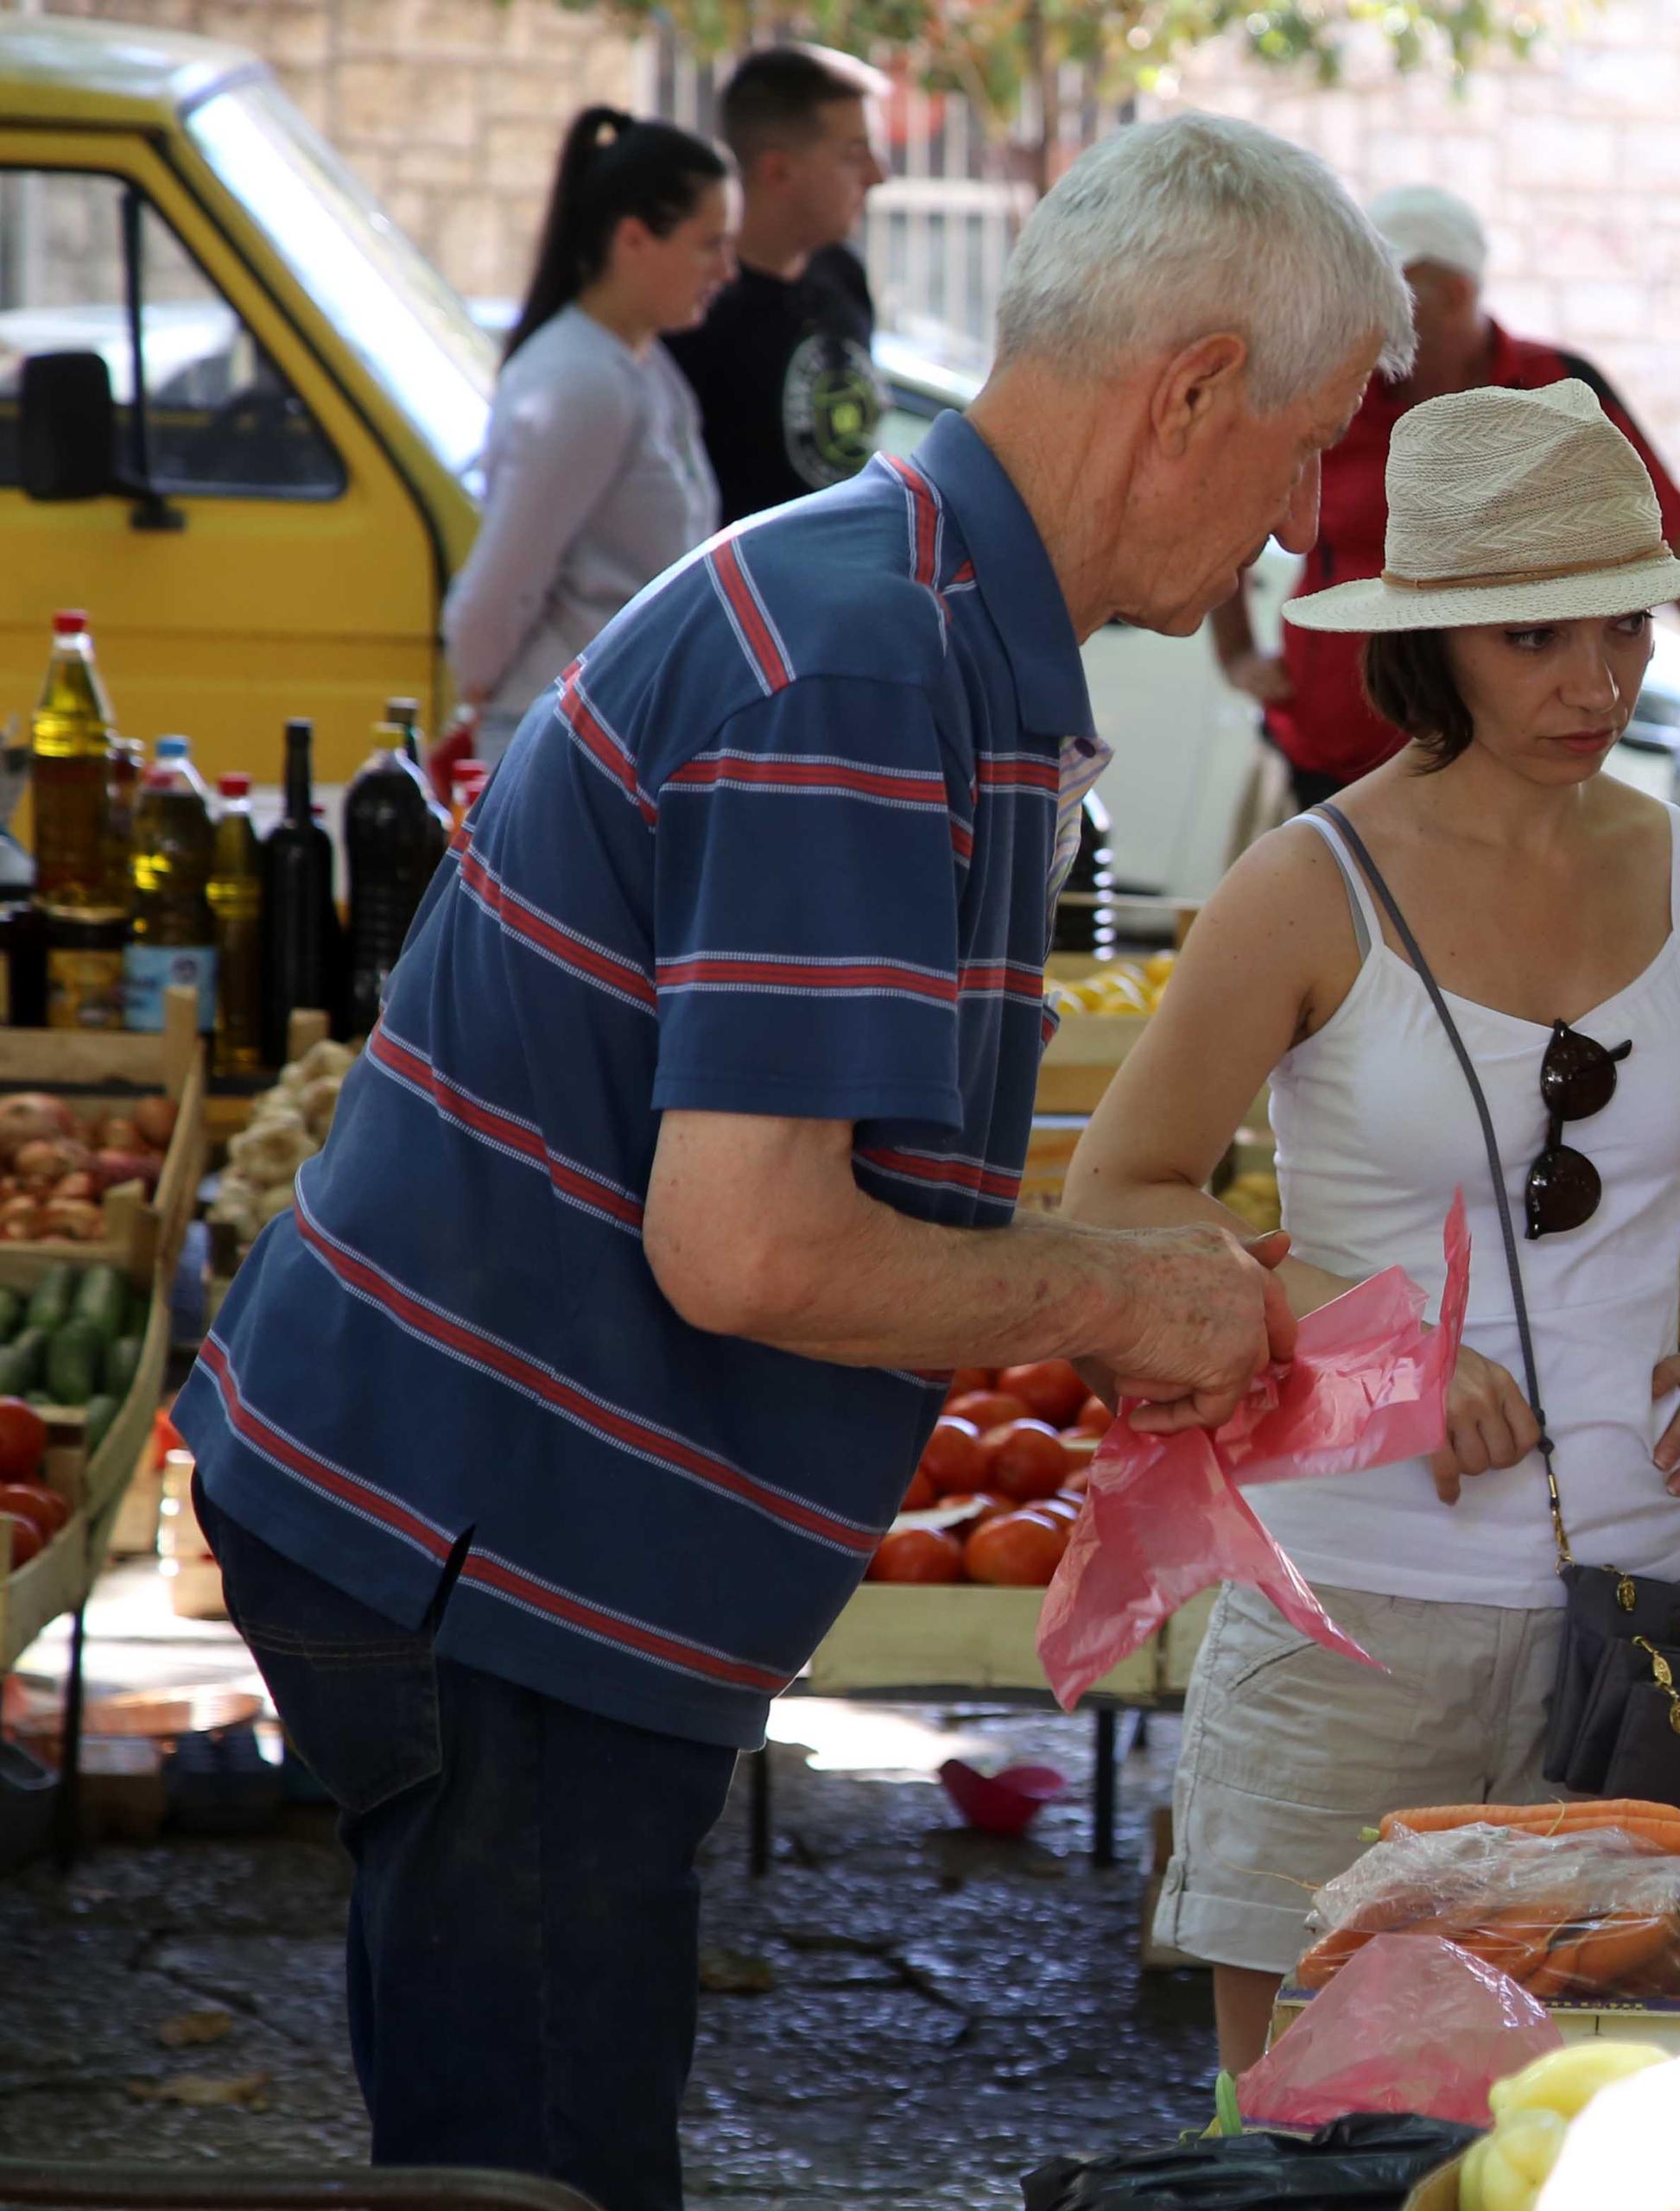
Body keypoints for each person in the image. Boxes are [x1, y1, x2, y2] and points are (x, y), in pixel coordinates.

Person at [175, 112, 1411, 2211]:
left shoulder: (930, 626)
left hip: (507, 1527)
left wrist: (1097, 1279)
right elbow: (749, 1242)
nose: (1298, 528)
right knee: (532, 2165)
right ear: (1188, 389)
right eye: (1295, 452)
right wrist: (1114, 1293)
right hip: (493, 1543)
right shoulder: (863, 653)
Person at [1075, 378, 1680, 2077]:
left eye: (1625, 627)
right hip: (1357, 1596)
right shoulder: (1307, 883)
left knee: (1590, 2135)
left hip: (1633, 1608)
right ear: (1432, 643)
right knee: (1311, 2129)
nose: (1599, 680)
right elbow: (1119, 1191)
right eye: (1538, 638)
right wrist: (1364, 1315)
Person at [1208, 182, 1680, 809]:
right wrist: (1235, 653)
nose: (1368, 324)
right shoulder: (1335, 390)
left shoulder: (1558, 389)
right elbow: (1225, 510)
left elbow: (1666, 559)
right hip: (1328, 765)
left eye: (1390, 301)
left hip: (1503, 780)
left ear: (1457, 292)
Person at [441, 109, 733, 734]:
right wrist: (484, 689)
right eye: (709, 245)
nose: (725, 272)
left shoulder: (641, 366)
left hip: (621, 723)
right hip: (565, 731)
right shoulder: (580, 379)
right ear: (633, 239)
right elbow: (500, 589)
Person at [665, 46, 892, 523]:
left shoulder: (842, 274)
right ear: (777, 171)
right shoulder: (695, 307)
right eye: (855, 155)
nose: (877, 175)